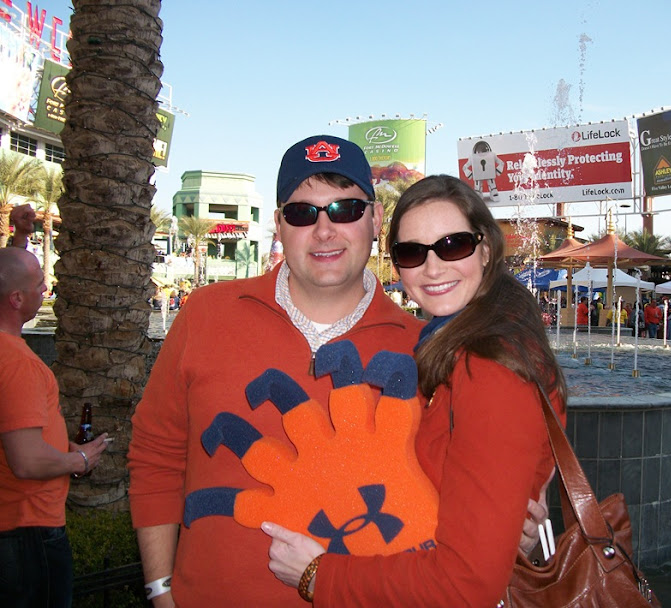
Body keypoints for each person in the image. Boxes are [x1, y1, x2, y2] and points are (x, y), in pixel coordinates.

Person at [126, 138, 548, 607]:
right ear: (279, 224)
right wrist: (160, 590)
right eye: (302, 213)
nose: (324, 231)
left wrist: (514, 531)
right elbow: (156, 456)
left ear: (375, 219)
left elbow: (465, 504)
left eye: (345, 210)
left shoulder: (434, 353)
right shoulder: (206, 315)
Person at [262, 175, 567, 606]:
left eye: (453, 245)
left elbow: (466, 585)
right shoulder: (451, 348)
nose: (433, 267)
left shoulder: (491, 370)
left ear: (485, 249)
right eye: (412, 252)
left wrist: (319, 574)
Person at [0, 247, 108, 607]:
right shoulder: (18, 364)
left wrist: (22, 236)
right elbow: (27, 461)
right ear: (17, 299)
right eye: (39, 285)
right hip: (28, 530)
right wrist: (79, 460)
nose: (45, 289)